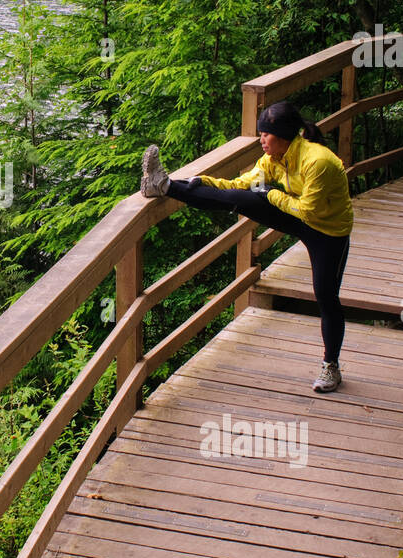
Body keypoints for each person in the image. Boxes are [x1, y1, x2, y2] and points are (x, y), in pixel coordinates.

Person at [140, 101, 354, 392]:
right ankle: (164, 185)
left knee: (326, 297)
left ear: (283, 136)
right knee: (243, 197)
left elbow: (308, 211)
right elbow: (239, 185)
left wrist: (270, 196)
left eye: (265, 134)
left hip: (328, 231)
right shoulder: (273, 159)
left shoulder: (318, 162)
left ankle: (331, 367)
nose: (261, 140)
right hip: (298, 214)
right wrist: (197, 183)